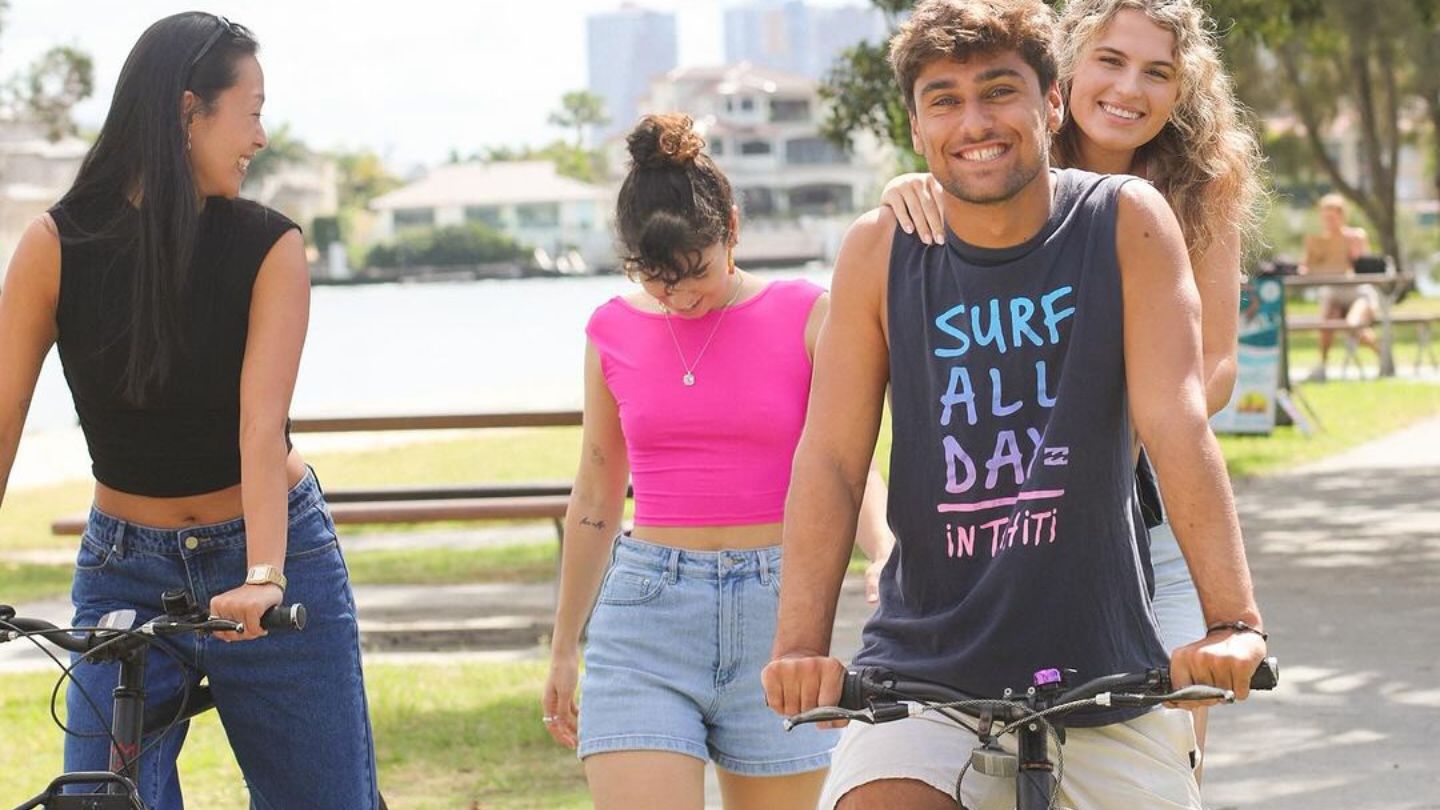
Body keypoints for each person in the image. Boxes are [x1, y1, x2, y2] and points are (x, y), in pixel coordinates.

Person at [760, 1, 1267, 808]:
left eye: (999, 91)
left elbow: (1177, 421)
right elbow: (830, 456)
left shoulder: (1126, 221)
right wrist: (799, 646)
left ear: (1051, 103)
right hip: (923, 670)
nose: (975, 121)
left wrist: (1234, 620)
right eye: (944, 101)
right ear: (916, 125)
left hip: (1103, 658)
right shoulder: (881, 249)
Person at [0, 13, 378, 809]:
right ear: (187, 112)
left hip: (272, 547)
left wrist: (265, 576)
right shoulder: (54, 246)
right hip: (122, 567)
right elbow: (2, 418)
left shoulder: (270, 246)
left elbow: (259, 425)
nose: (262, 137)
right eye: (253, 111)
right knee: (99, 797)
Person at [539, 113, 892, 810]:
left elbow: (845, 460)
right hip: (646, 615)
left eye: (694, 271)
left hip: (782, 614)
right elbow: (596, 495)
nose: (681, 295)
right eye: (657, 279)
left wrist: (881, 547)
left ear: (730, 226)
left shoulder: (807, 313)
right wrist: (561, 645)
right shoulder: (611, 329)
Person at [1299, 192, 1379, 380]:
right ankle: (1323, 365)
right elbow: (1306, 265)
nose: (1329, 221)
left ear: (1342, 216)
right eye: (1325, 217)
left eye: (1332, 217)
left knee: (1353, 324)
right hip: (1334, 292)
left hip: (1357, 292)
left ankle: (1381, 355)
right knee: (1327, 321)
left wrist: (1353, 254)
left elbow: (1365, 267)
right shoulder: (1320, 242)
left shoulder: (1356, 236)